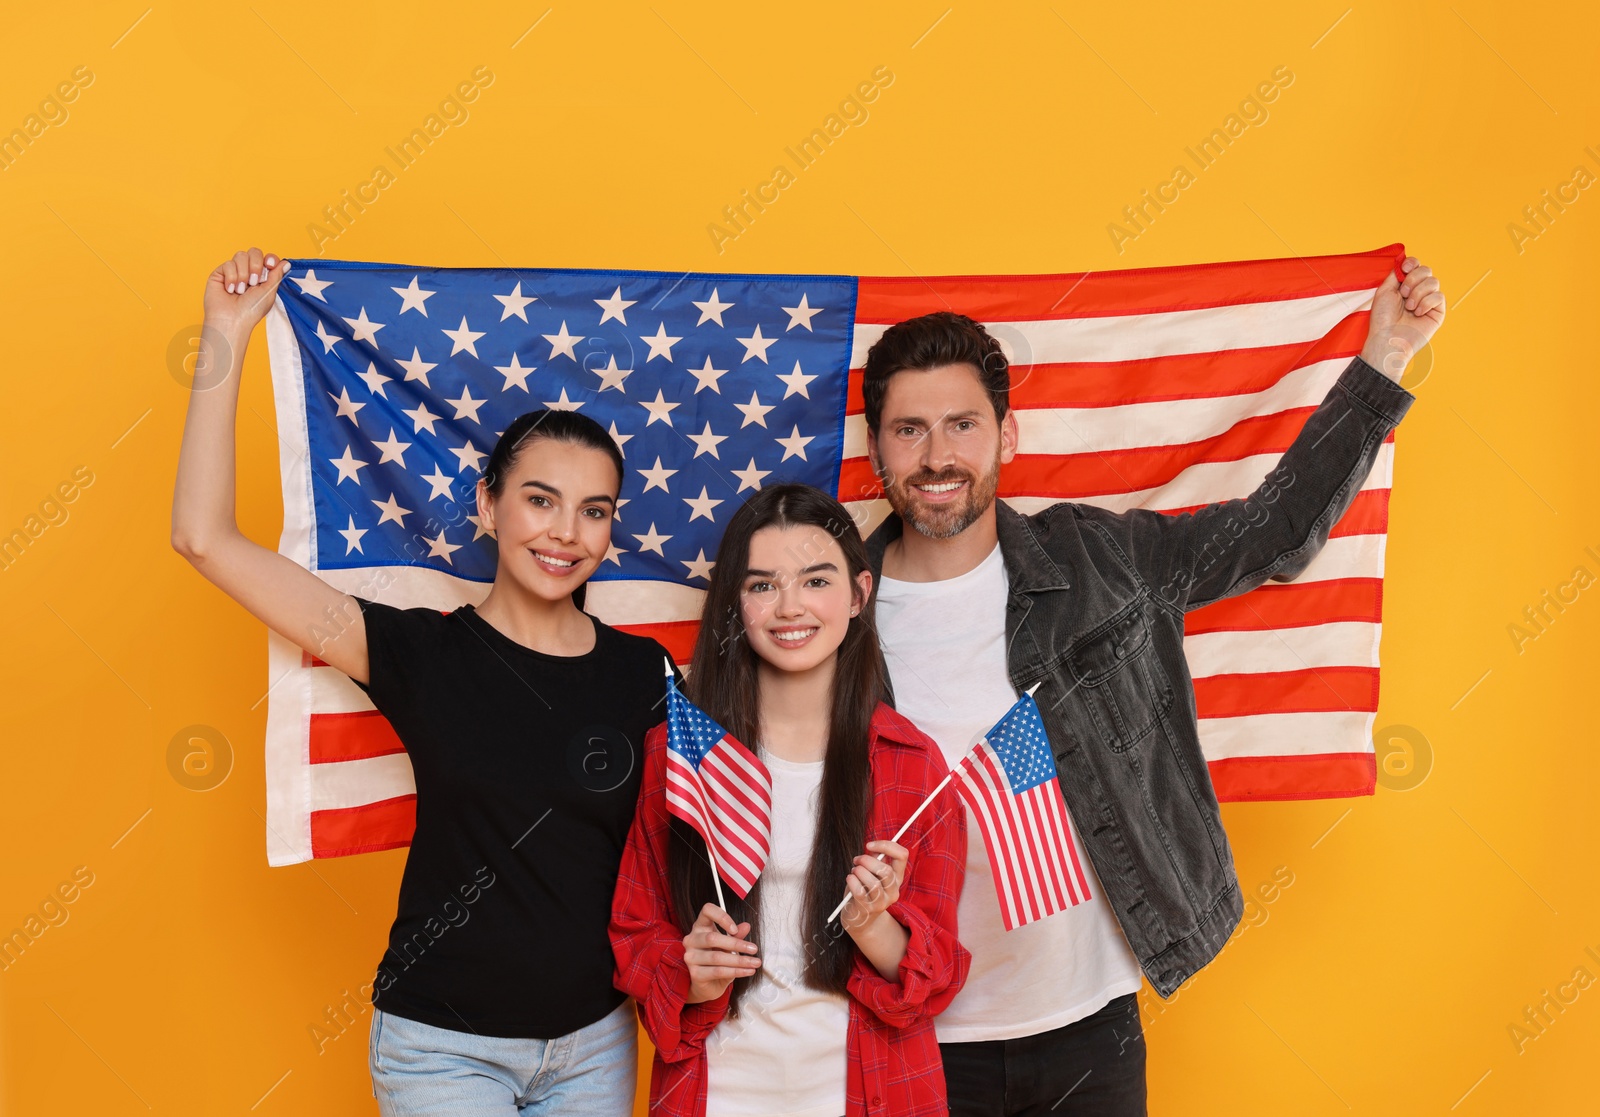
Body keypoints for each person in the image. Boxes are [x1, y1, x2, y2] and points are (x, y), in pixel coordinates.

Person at [858, 259, 1445, 1115]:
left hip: (1092, 1032)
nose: (938, 455)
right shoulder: (833, 612)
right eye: (909, 430)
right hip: (918, 1036)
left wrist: (1385, 355)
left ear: (1007, 436)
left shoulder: (1099, 561)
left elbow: (1275, 533)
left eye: (961, 424)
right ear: (876, 444)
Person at [172, 247, 675, 1115]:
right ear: (488, 504)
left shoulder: (644, 671)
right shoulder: (418, 653)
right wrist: (226, 332)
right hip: (444, 1049)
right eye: (541, 499)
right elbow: (204, 538)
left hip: (597, 1046)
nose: (566, 532)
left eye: (594, 511)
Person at [610, 483, 971, 1117]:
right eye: (761, 586)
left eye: (815, 581)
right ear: (735, 605)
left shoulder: (912, 765)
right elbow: (635, 936)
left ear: (859, 594)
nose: (789, 607)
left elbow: (932, 977)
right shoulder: (678, 755)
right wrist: (693, 975)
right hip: (717, 1090)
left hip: (870, 1090)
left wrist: (870, 923)